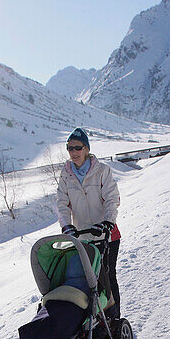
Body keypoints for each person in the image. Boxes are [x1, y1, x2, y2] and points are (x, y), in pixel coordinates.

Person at [56, 128, 122, 320]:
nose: (73, 152)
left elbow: (112, 198)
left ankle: (114, 319)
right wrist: (66, 225)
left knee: (107, 277)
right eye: (70, 148)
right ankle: (95, 321)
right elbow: (61, 203)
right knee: (87, 281)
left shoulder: (102, 171)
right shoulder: (66, 174)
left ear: (86, 149)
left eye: (77, 148)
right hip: (82, 237)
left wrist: (108, 221)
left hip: (107, 234)